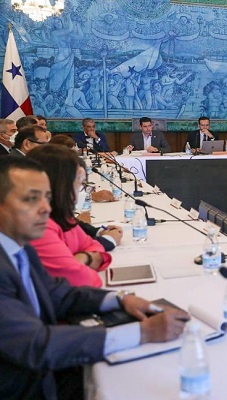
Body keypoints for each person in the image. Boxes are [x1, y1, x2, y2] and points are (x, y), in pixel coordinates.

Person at [0, 156, 188, 399]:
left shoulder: (19, 247)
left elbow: (59, 293)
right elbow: (37, 345)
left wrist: (120, 299)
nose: (46, 208)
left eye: (47, 197)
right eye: (31, 198)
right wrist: (143, 332)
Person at [27, 145, 112, 287]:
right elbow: (84, 280)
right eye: (79, 184)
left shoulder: (65, 218)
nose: (80, 192)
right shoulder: (39, 227)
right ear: (61, 185)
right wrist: (88, 260)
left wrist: (84, 257)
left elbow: (94, 245)